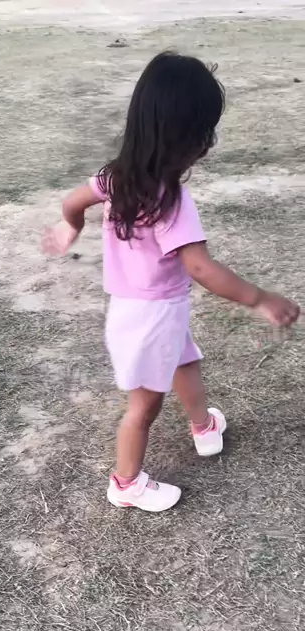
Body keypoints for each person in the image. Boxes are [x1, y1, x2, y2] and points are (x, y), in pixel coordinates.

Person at [42, 52, 300, 513]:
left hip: (141, 310)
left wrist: (70, 226)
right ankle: (126, 484)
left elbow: (73, 201)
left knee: (185, 360)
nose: (210, 142)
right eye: (206, 131)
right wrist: (260, 299)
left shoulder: (114, 177)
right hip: (152, 317)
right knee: (143, 409)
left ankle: (203, 425)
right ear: (186, 139)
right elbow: (201, 268)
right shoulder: (171, 201)